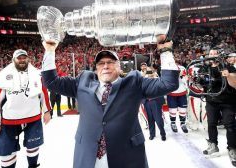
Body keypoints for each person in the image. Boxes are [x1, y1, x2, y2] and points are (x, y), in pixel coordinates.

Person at [41, 36, 179, 168]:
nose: (105, 66)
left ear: (119, 66)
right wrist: (49, 50)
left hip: (127, 158)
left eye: (110, 62)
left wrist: (165, 51)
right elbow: (51, 81)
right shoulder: (82, 81)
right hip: (88, 157)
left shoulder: (134, 82)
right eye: (101, 63)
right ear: (96, 69)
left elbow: (169, 84)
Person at [0, 49, 52, 168]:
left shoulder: (37, 73)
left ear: (28, 58)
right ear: (14, 59)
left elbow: (43, 93)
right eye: (19, 58)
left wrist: (47, 111)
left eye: (24, 57)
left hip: (33, 117)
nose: (22, 60)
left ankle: (33, 166)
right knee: (6, 151)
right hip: (9, 120)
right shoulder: (3, 75)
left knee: (33, 146)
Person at [201, 48, 236, 167]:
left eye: (214, 54)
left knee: (229, 125)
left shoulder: (228, 67)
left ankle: (232, 149)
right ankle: (213, 145)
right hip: (211, 100)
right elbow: (201, 83)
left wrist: (228, 75)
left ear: (220, 56)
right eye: (210, 54)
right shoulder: (205, 68)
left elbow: (235, 84)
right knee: (211, 123)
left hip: (228, 101)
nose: (212, 56)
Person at [142, 66, 166, 141]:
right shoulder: (144, 79)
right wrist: (145, 73)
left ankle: (163, 133)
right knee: (150, 119)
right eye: (147, 71)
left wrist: (154, 74)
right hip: (147, 102)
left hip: (155, 101)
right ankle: (152, 134)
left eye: (150, 71)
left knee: (158, 119)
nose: (149, 73)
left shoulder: (157, 79)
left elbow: (161, 86)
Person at [167, 63, 189, 133]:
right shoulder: (167, 67)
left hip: (182, 91)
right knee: (172, 109)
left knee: (183, 109)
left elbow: (186, 79)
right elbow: (166, 79)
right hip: (171, 92)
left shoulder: (182, 67)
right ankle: (173, 123)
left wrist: (182, 76)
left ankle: (183, 123)